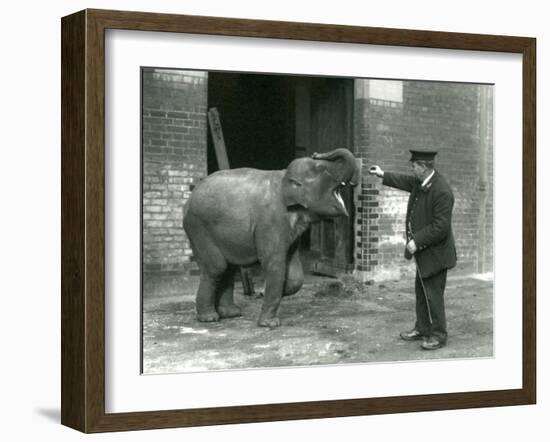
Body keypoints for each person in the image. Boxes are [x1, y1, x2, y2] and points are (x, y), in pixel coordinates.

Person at [369, 150, 457, 350]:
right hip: (424, 253)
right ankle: (422, 328)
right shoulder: (421, 182)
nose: (411, 169)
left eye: (414, 166)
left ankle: (438, 335)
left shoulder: (442, 191)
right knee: (422, 291)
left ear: (423, 167)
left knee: (433, 295)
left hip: (436, 254)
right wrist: (383, 174)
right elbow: (404, 181)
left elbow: (441, 227)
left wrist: (416, 241)